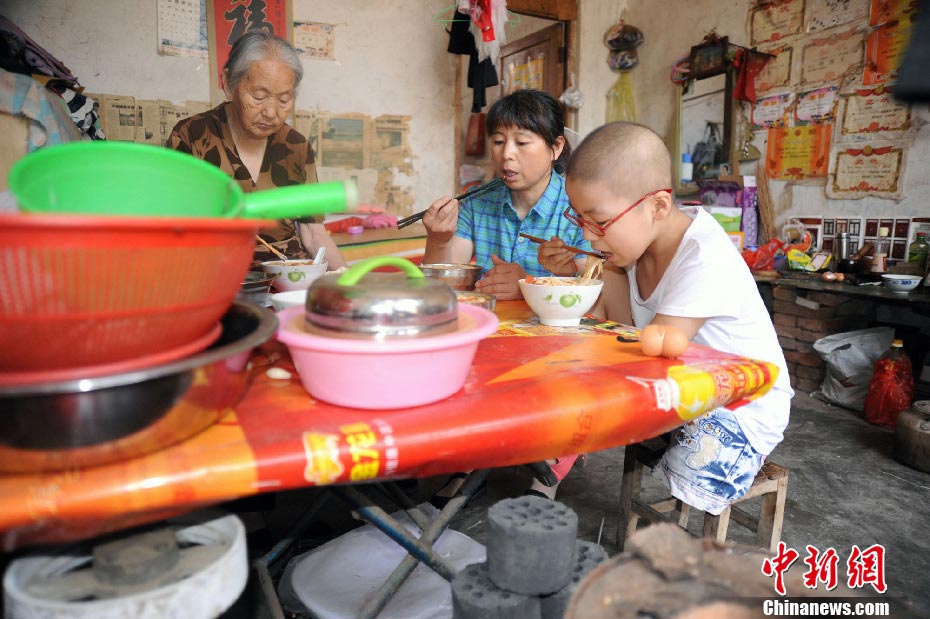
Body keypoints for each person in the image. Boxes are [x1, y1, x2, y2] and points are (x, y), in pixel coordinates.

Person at [539, 121, 793, 515]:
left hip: (740, 409)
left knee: (590, 407)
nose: (588, 236)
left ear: (657, 206)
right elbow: (625, 330)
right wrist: (589, 269)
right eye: (579, 220)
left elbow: (655, 353)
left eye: (599, 221)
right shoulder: (632, 250)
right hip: (686, 390)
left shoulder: (704, 256)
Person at [168, 30, 346, 269]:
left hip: (288, 277)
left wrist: (347, 280)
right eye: (259, 97)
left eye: (284, 100)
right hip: (215, 274)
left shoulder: (296, 147)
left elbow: (314, 234)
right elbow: (178, 231)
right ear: (229, 85)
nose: (271, 112)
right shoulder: (193, 136)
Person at [421, 89, 591, 300]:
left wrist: (527, 286)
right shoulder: (476, 202)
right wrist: (438, 240)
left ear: (555, 148)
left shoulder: (581, 208)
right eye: (498, 142)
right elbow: (442, 289)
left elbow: (593, 290)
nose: (506, 154)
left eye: (521, 143)